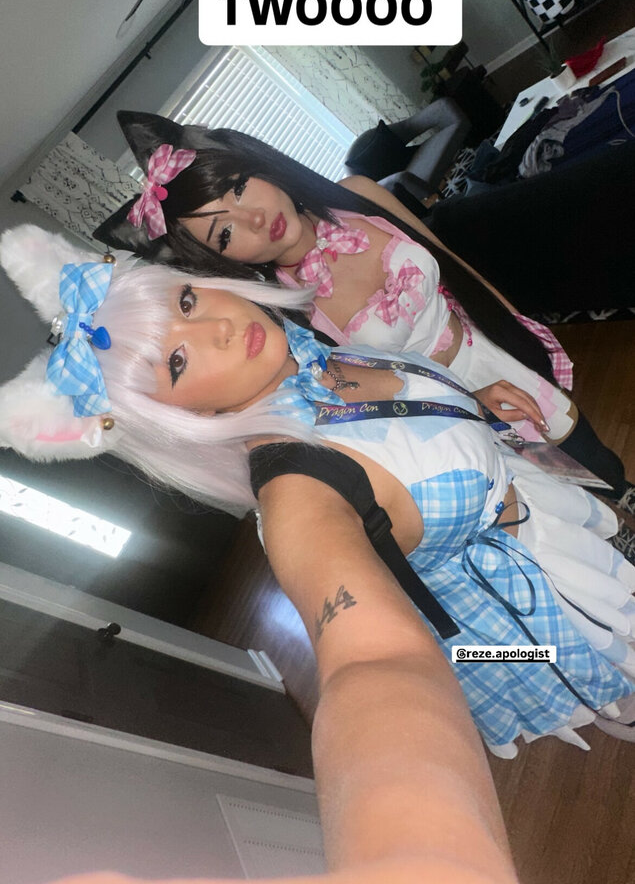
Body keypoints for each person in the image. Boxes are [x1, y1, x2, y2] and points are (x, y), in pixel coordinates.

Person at [2, 224, 634, 761]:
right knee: (613, 681)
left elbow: (402, 421)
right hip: (527, 623)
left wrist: (470, 406)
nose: (219, 329)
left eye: (186, 302)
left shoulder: (304, 354)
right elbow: (365, 663)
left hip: (551, 525)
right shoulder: (298, 491)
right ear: (174, 419)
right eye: (176, 363)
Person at [93, 111, 634, 517]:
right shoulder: (287, 321)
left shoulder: (357, 196)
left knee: (593, 454)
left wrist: (514, 318)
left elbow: (452, 265)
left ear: (255, 165)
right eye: (225, 232)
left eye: (238, 187)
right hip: (458, 415)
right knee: (561, 507)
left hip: (496, 345)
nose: (254, 217)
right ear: (219, 260)